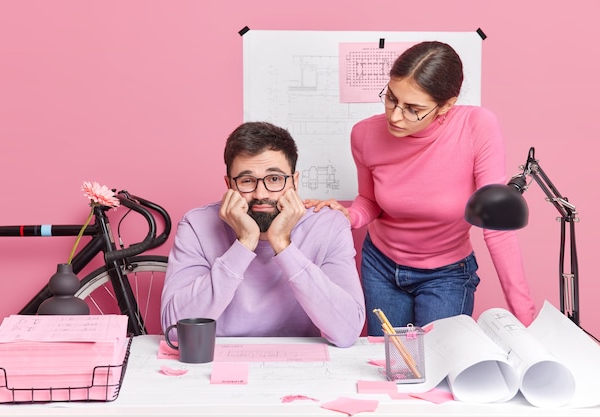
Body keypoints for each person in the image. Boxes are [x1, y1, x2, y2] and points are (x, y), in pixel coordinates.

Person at [304, 41, 535, 335]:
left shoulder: (477, 127)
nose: (395, 116)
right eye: (391, 98)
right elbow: (369, 200)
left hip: (447, 275)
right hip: (381, 268)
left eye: (414, 109)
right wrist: (349, 216)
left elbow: (497, 226)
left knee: (440, 366)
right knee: (393, 367)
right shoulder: (364, 134)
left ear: (446, 105)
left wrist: (525, 319)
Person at [161, 121, 365, 348]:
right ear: (229, 184)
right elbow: (175, 332)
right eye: (247, 181)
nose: (261, 193)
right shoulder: (196, 226)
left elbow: (347, 332)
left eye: (275, 179)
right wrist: (244, 243)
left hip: (300, 364)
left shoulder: (329, 225)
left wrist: (283, 245)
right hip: (217, 362)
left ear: (294, 182)